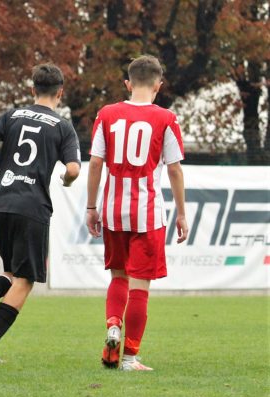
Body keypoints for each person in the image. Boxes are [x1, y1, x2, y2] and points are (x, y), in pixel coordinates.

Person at [0, 63, 81, 362]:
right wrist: (66, 180)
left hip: (0, 201)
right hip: (31, 206)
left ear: (32, 89)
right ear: (60, 92)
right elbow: (73, 169)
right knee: (25, 280)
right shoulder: (62, 126)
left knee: (12, 271)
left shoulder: (12, 115)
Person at [85, 55, 188, 371]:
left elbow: (95, 164)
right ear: (159, 84)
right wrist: (182, 213)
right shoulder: (166, 119)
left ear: (128, 84)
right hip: (147, 214)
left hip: (114, 212)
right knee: (141, 284)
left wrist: (92, 207)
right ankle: (129, 357)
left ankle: (113, 324)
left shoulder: (107, 114)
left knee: (118, 276)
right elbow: (174, 171)